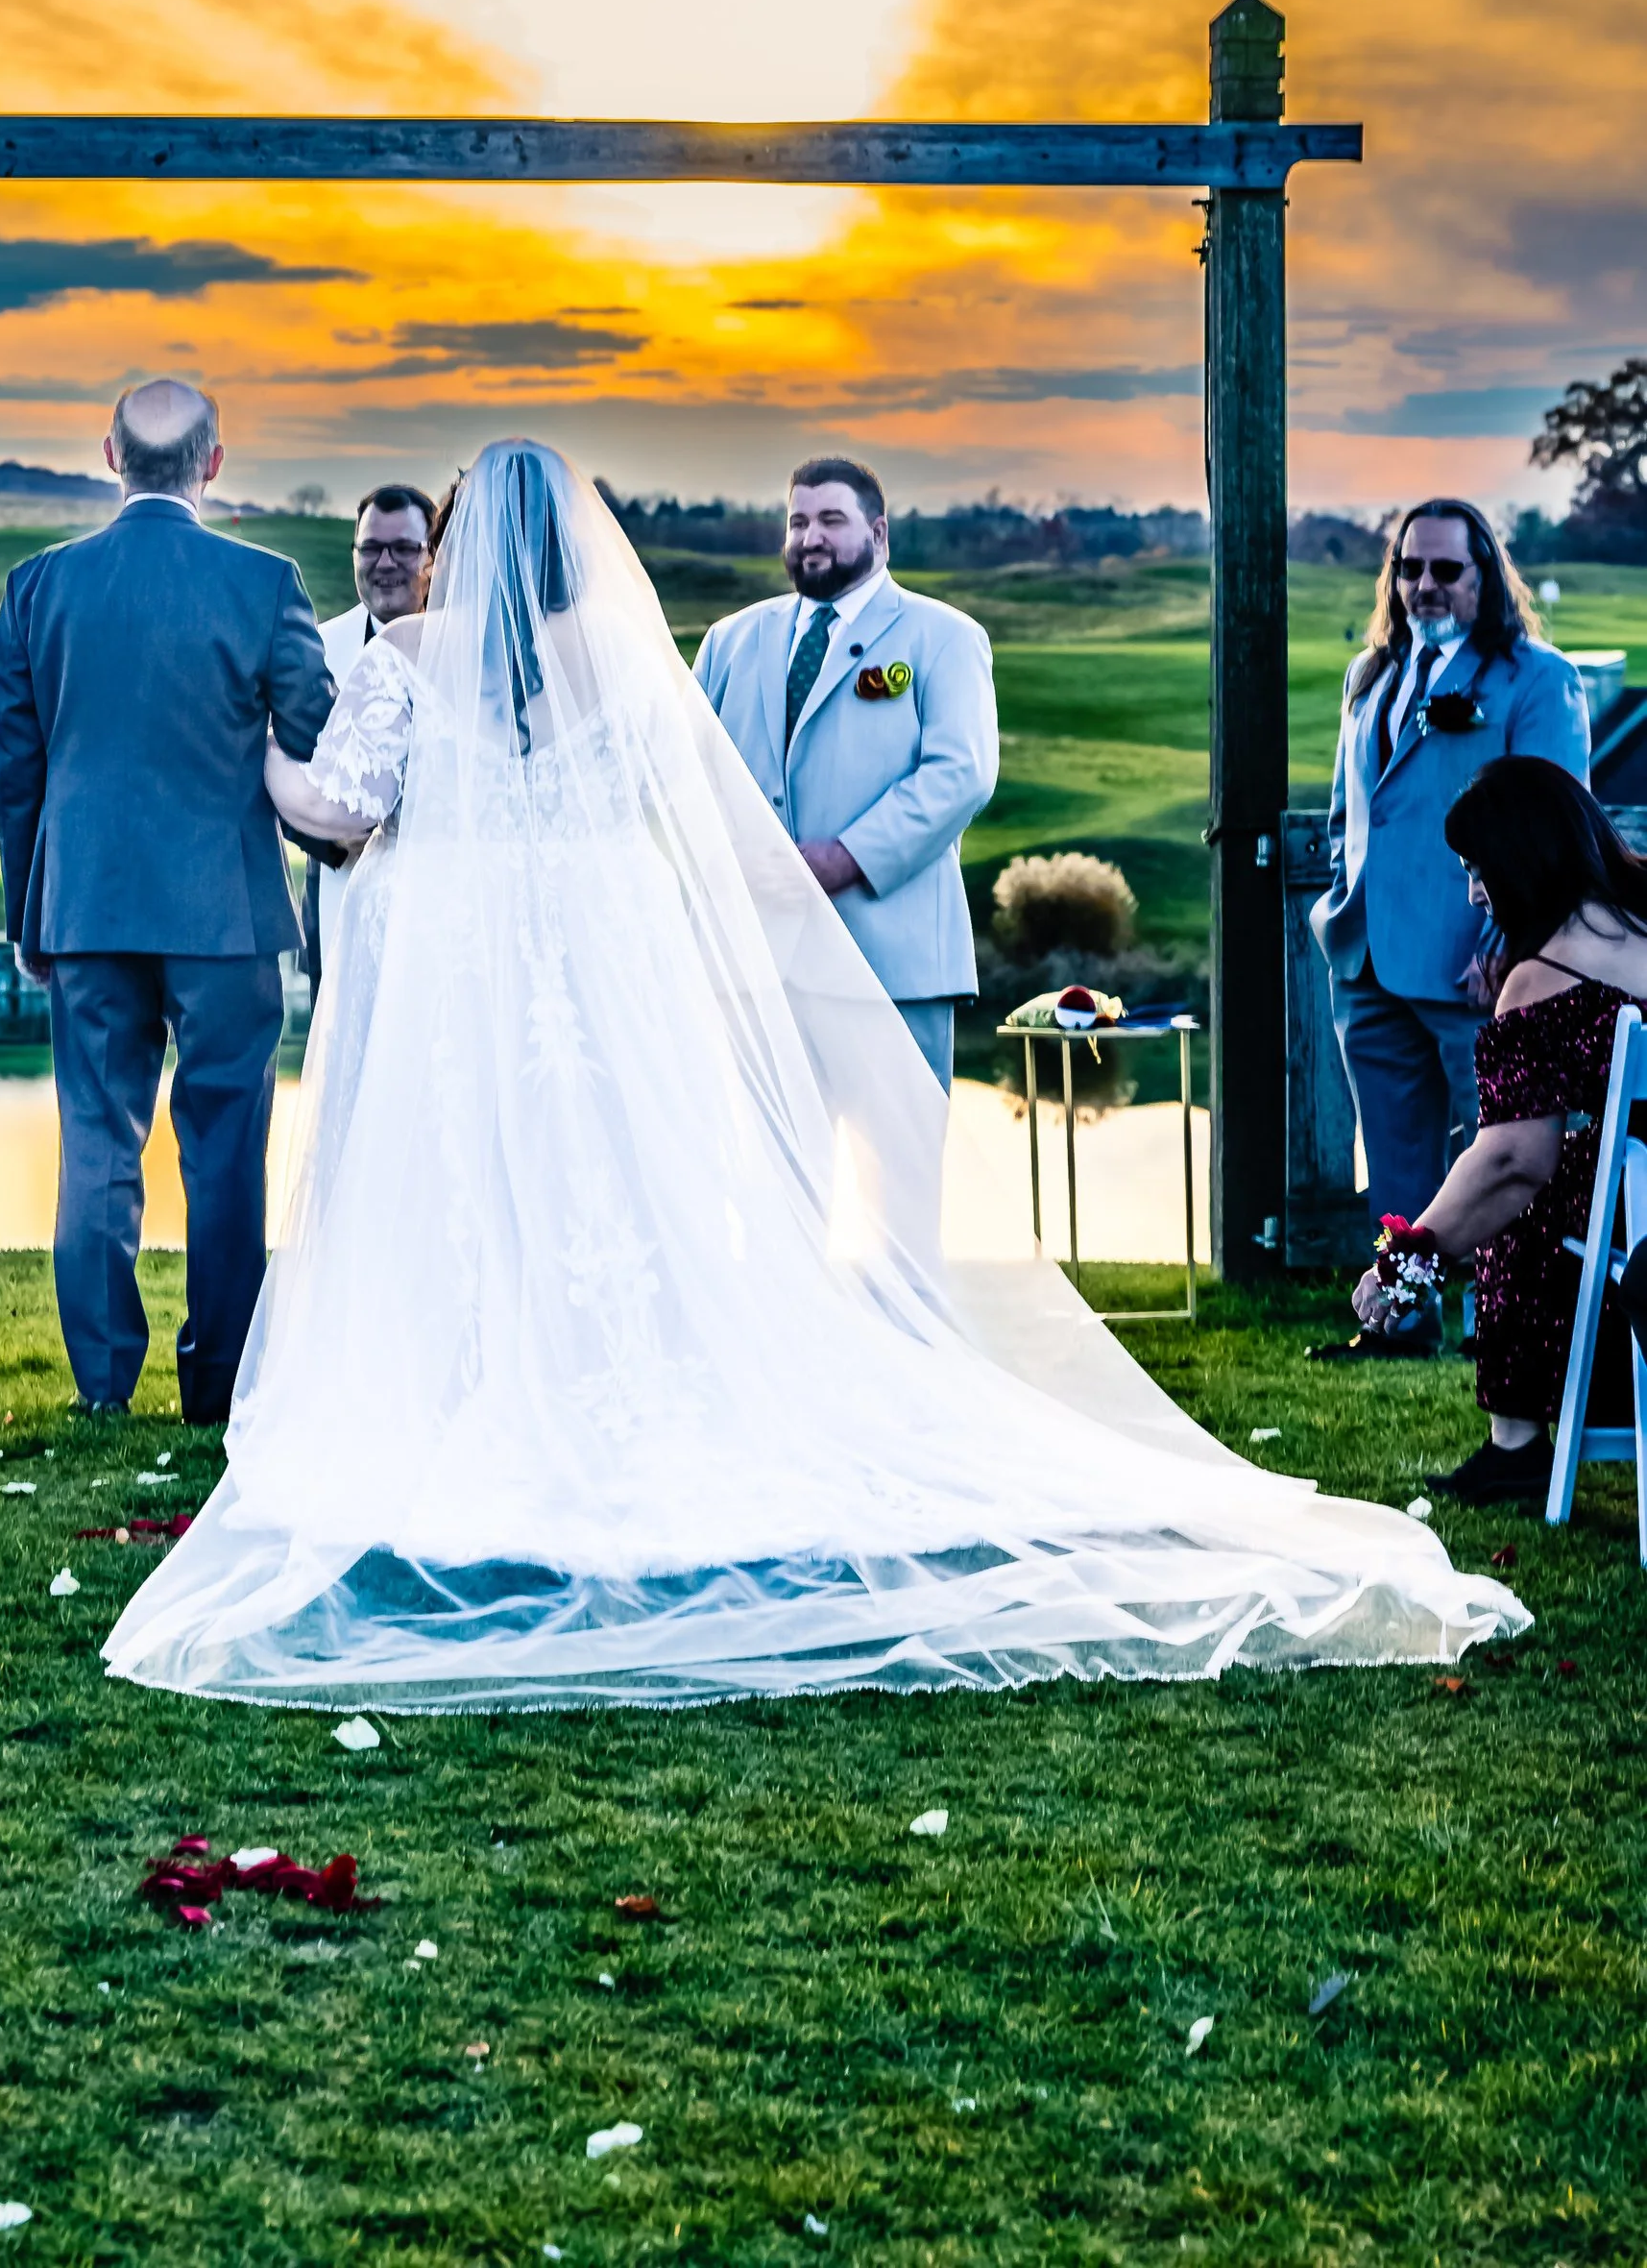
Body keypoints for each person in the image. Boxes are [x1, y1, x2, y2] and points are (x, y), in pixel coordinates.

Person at [102, 440, 1521, 1708]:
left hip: (468, 973)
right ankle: (628, 1403)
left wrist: (250, 750)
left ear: (468, 542)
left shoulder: (405, 659)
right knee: (616, 1184)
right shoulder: (627, 657)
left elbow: (338, 813)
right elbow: (700, 821)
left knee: (471, 1179)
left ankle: (468, 1403)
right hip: (600, 971)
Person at [0, 379, 333, 1425]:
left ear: (109, 455)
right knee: (225, 1144)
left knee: (97, 1142)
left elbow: (21, 769)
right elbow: (318, 738)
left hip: (86, 908)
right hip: (225, 912)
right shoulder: (265, 582)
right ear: (213, 464)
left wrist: (27, 918)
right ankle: (217, 1381)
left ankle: (101, 1387)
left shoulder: (38, 588)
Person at [1314, 500, 1590, 1351]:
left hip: (1475, 961)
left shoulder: (1535, 678)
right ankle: (1401, 1317)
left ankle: (1499, 1325)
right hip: (1364, 956)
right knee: (1395, 1154)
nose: (1423, 585)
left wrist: (1506, 947)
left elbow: (1550, 829)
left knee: (1503, 1152)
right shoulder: (1372, 675)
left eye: (1445, 570)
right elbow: (1347, 812)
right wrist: (1339, 894)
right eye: (1409, 568)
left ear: (1485, 578)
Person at [1344, 758, 1647, 1505]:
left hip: (1640, 1205)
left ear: (1520, 860)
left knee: (1530, 1187)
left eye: (1478, 870)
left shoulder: (1544, 978)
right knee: (1571, 1163)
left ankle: (1516, 1444)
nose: (1474, 891)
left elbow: (1512, 1159)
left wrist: (1408, 1259)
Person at [690, 454, 997, 1093]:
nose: (811, 537)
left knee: (901, 1188)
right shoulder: (728, 641)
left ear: (878, 534)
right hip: (757, 969)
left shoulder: (943, 638)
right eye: (798, 521)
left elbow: (961, 774)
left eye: (832, 519)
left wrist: (845, 856)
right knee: (769, 1188)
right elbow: (689, 777)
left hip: (892, 966)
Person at [303, 486, 435, 999]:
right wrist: (332, 838)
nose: (384, 563)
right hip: (342, 897)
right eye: (370, 548)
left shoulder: (472, 653)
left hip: (447, 905)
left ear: (433, 556)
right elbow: (282, 766)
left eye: (403, 549)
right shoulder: (317, 648)